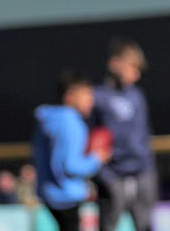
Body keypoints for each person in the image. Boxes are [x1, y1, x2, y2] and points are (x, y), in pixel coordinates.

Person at [91, 39, 158, 231]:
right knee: (109, 223)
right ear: (115, 63)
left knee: (144, 224)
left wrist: (147, 166)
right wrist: (102, 173)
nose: (135, 75)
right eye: (132, 67)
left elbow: (145, 134)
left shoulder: (137, 96)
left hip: (142, 171)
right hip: (112, 173)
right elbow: (91, 138)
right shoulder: (97, 96)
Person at [33, 71, 111, 231]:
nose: (91, 100)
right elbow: (70, 166)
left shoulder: (49, 119)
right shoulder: (71, 122)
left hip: (49, 193)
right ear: (69, 96)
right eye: (86, 94)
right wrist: (96, 159)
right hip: (67, 195)